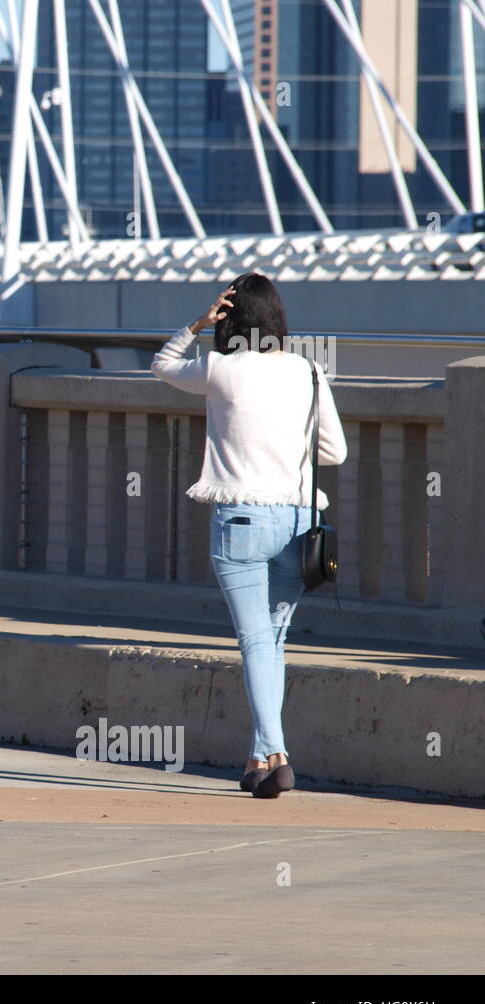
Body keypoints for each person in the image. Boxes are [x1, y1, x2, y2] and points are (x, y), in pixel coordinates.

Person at [151, 273, 346, 799]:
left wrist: (196, 322)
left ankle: (278, 754)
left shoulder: (220, 368)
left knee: (257, 642)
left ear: (230, 319)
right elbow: (335, 452)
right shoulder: (308, 371)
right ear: (279, 319)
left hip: (240, 521)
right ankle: (259, 759)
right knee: (272, 643)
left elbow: (163, 365)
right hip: (297, 524)